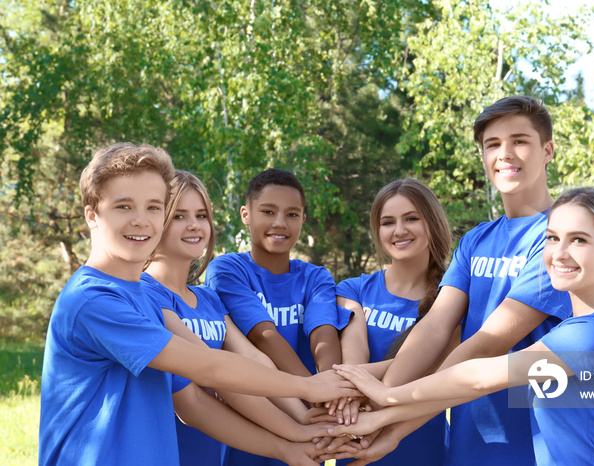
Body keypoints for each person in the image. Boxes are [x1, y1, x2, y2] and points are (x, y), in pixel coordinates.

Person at [39, 143, 359, 466]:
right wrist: (308, 386)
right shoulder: (94, 299)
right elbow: (211, 367)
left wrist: (289, 444)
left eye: (153, 207)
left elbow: (193, 401)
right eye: (124, 207)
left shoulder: (141, 297)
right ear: (92, 215)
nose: (142, 221)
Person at [324, 96, 574, 465]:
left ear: (547, 150)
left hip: (534, 443)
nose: (505, 154)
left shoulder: (560, 236)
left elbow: (485, 344)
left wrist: (385, 409)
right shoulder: (475, 241)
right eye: (492, 145)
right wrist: (380, 406)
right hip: (466, 438)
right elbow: (434, 329)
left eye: (519, 140)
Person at [330, 186, 594, 465]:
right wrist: (390, 425)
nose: (559, 253)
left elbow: (478, 376)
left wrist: (387, 399)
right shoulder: (591, 327)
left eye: (579, 240)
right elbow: (464, 378)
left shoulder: (593, 335)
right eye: (553, 238)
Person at [142, 170, 338, 465]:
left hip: (216, 450)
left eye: (202, 215)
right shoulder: (145, 293)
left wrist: (307, 418)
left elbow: (254, 362)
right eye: (179, 216)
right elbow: (213, 376)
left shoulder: (208, 299)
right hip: (170, 452)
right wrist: (300, 423)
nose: (194, 225)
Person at [205, 168, 353, 465]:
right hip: (254, 425)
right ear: (246, 214)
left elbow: (323, 334)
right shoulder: (228, 270)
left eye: (292, 214)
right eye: (268, 211)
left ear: (303, 220)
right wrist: (314, 391)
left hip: (311, 423)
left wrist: (330, 394)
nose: (279, 223)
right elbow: (264, 335)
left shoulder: (316, 277)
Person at [333, 178, 455, 465]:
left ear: (432, 223)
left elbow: (438, 366)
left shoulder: (451, 298)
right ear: (377, 231)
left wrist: (361, 386)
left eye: (411, 218)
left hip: (420, 448)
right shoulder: (352, 290)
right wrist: (355, 388)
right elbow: (355, 358)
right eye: (388, 222)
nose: (399, 230)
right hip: (355, 444)